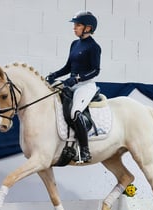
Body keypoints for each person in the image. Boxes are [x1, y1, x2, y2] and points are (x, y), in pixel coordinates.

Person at [46, 11, 101, 163]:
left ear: (88, 28)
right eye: (75, 25)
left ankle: (85, 150)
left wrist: (77, 79)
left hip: (85, 86)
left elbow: (95, 70)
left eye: (78, 25)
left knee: (75, 113)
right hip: (72, 84)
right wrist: (54, 75)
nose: (74, 28)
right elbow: (68, 67)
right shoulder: (74, 44)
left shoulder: (94, 47)